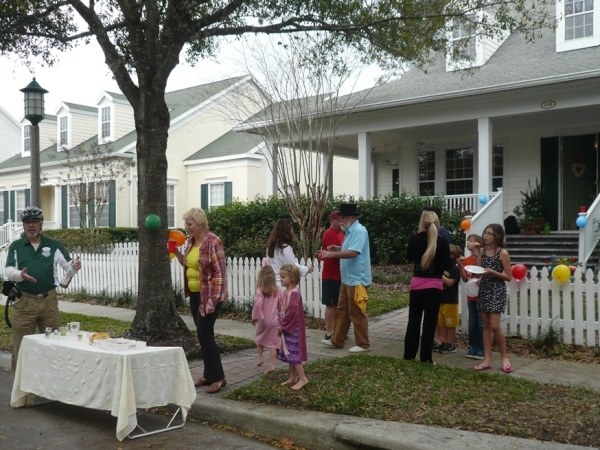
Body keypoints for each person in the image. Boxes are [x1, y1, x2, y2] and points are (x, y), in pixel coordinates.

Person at [6, 206, 82, 373]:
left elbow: (67, 265)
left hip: (49, 303)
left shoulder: (54, 246)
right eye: (27, 222)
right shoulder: (16, 246)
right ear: (23, 225)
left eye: (35, 222)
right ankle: (21, 388)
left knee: (52, 344)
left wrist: (74, 266)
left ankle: (50, 384)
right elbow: (9, 270)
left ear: (41, 225)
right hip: (24, 303)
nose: (31, 225)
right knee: (22, 346)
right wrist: (20, 275)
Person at [174, 208, 228, 393]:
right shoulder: (191, 242)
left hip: (209, 296)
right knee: (202, 334)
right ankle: (209, 374)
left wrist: (212, 301)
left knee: (205, 333)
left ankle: (219, 377)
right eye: (186, 224)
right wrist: (176, 252)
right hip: (196, 295)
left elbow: (219, 273)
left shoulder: (213, 242)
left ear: (200, 224)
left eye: (190, 224)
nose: (187, 227)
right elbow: (187, 263)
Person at [318, 203, 372, 353]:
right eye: (340, 217)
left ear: (353, 218)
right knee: (342, 311)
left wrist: (331, 254)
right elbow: (350, 249)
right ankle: (337, 340)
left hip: (357, 280)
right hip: (348, 279)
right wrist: (338, 248)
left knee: (356, 312)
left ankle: (363, 344)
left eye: (344, 217)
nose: (341, 220)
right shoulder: (349, 231)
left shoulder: (359, 231)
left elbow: (354, 253)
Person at [404, 210, 452, 364]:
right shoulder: (442, 242)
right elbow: (447, 265)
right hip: (434, 286)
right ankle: (426, 358)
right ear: (437, 223)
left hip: (417, 284)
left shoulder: (414, 239)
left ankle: (409, 355)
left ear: (422, 223)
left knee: (413, 321)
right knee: (429, 324)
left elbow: (409, 257)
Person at [473, 224, 513, 373]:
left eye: (488, 233)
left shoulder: (503, 253)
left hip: (496, 290)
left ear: (497, 236)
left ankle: (505, 358)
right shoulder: (482, 251)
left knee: (495, 326)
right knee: (486, 326)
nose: (485, 236)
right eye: (485, 233)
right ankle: (487, 360)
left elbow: (508, 276)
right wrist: (476, 255)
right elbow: (478, 271)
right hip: (484, 289)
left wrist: (492, 272)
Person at [277, 264, 309, 390]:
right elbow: (280, 309)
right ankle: (292, 377)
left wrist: (283, 325)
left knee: (294, 353)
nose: (281, 279)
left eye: (283, 277)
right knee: (289, 351)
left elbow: (292, 312)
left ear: (292, 278)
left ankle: (303, 378)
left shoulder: (294, 293)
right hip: (286, 326)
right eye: (280, 276)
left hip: (293, 328)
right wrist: (279, 323)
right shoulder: (284, 292)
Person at [266, 218, 313, 288]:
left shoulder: (270, 248)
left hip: (272, 284)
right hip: (283, 285)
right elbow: (293, 267)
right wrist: (307, 269)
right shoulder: (285, 249)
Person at [320, 210, 344, 342]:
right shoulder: (329, 233)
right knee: (331, 304)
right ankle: (329, 332)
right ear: (333, 220)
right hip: (331, 274)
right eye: (339, 220)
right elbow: (332, 253)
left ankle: (337, 330)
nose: (341, 222)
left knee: (338, 304)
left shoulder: (341, 233)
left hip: (339, 274)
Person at [251, 265, 281, 373]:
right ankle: (272, 364)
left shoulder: (260, 291)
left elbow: (258, 305)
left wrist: (255, 317)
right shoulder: (277, 291)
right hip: (275, 321)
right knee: (273, 343)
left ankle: (261, 358)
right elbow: (281, 305)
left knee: (259, 338)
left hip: (263, 320)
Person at [459, 233, 484, 360]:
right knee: (472, 322)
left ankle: (482, 348)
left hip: (481, 296)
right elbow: (464, 279)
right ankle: (473, 346)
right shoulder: (466, 260)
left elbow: (480, 273)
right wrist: (460, 266)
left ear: (477, 243)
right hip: (471, 295)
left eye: (471, 240)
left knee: (481, 323)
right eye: (468, 240)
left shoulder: (482, 258)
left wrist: (477, 254)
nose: (468, 242)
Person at [437, 244, 462, 354]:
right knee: (442, 323)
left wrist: (439, 274)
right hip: (441, 299)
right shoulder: (443, 267)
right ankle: (443, 342)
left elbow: (450, 283)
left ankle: (450, 344)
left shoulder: (455, 269)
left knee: (450, 324)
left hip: (450, 301)